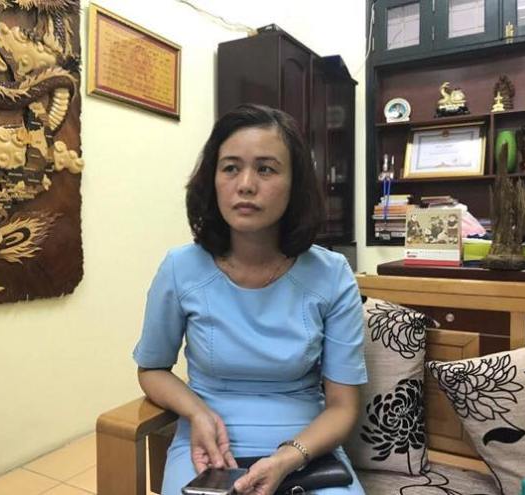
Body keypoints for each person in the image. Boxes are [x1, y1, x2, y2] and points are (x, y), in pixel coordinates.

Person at [133, 104, 367, 495]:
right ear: (213, 180)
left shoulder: (331, 274)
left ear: (295, 184)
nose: (245, 184)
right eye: (230, 168)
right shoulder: (180, 268)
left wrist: (288, 457)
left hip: (305, 447)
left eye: (266, 169)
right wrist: (197, 412)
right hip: (208, 445)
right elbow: (152, 368)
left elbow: (343, 406)